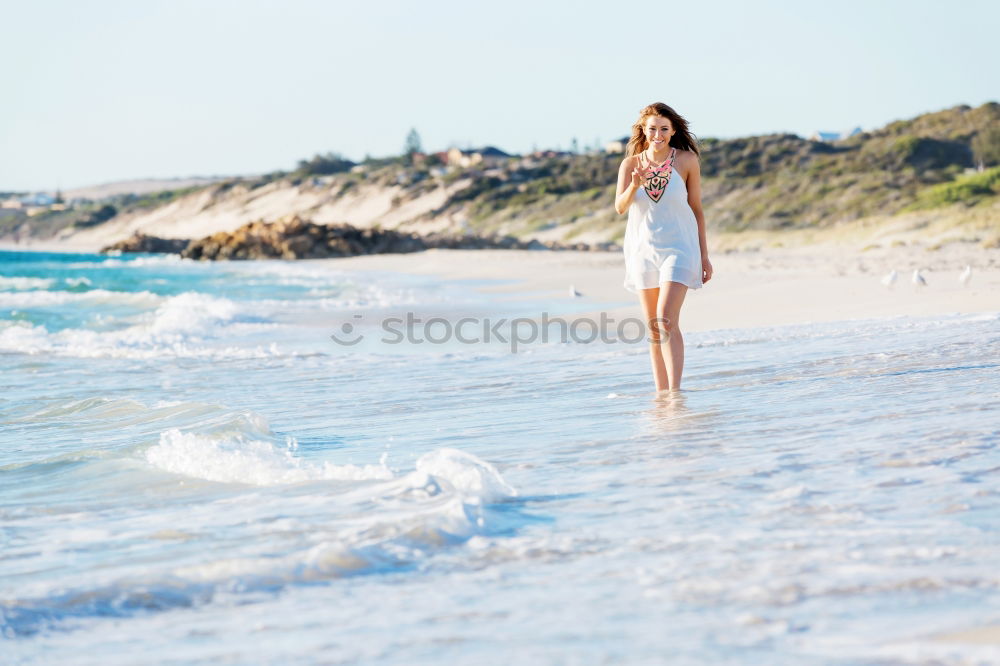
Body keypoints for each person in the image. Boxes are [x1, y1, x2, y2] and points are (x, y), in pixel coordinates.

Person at [614, 102, 713, 393]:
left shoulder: (686, 161)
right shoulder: (630, 164)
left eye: (664, 129)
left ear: (672, 131)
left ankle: (675, 393)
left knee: (666, 320)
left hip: (680, 248)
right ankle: (662, 394)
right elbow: (620, 207)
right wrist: (634, 185)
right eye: (652, 129)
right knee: (656, 329)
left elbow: (697, 210)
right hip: (643, 251)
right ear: (644, 132)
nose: (658, 134)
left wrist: (704, 256)